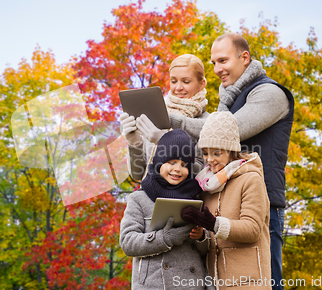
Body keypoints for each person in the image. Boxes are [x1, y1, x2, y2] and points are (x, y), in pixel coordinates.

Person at [170, 33, 294, 290]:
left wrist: (170, 119)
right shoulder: (230, 101)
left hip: (262, 205)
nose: (217, 69)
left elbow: (227, 132)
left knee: (265, 282)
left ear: (244, 57)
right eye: (213, 62)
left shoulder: (269, 93)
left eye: (223, 60)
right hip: (223, 206)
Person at [182, 111, 271, 289]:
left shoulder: (250, 179)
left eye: (216, 153)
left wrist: (214, 223)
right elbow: (211, 238)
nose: (209, 160)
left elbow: (252, 229)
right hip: (216, 281)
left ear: (231, 151)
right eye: (205, 153)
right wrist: (201, 235)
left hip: (249, 281)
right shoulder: (207, 185)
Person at [119, 129, 214, 290]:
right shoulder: (139, 199)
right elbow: (128, 242)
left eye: (184, 165)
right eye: (172, 162)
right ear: (159, 162)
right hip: (154, 284)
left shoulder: (195, 199)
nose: (178, 169)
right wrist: (165, 238)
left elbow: (205, 251)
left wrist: (201, 237)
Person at [119, 54, 210, 181]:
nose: (178, 87)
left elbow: (200, 172)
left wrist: (164, 143)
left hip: (183, 199)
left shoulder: (207, 122)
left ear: (201, 84)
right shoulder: (155, 117)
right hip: (148, 197)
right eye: (173, 81)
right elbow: (137, 174)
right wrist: (135, 143)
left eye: (186, 81)